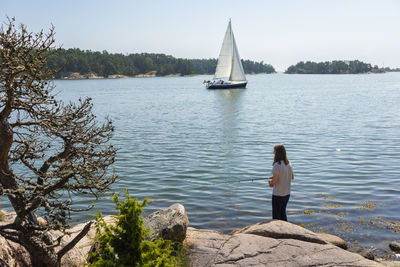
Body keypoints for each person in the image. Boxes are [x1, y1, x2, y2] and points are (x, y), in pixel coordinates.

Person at [268, 144, 294, 221]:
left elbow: (274, 182)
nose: (273, 153)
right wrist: (276, 177)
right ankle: (286, 230)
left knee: (276, 216)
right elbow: (292, 177)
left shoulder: (277, 165)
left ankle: (278, 232)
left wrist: (270, 182)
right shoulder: (289, 164)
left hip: (278, 194)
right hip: (287, 194)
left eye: (274, 151)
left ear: (277, 153)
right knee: (283, 213)